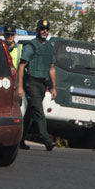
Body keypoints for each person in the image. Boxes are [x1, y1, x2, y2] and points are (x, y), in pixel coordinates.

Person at [18, 20, 56, 151]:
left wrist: (53, 87)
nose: (44, 31)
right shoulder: (31, 46)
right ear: (37, 30)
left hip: (42, 84)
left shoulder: (50, 47)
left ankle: (20, 139)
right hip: (31, 82)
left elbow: (52, 68)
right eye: (42, 28)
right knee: (38, 111)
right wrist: (20, 87)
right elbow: (22, 66)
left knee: (30, 113)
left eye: (47, 29)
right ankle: (46, 139)